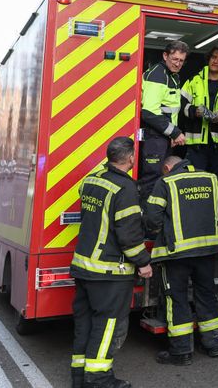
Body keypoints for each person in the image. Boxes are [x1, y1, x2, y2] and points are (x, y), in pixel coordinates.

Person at [71, 137, 152, 388]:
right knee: (107, 326)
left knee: (84, 323)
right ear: (130, 158)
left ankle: (79, 377)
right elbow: (128, 234)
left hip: (85, 267)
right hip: (109, 272)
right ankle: (98, 379)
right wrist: (143, 262)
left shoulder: (93, 180)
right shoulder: (125, 189)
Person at [144, 156, 218, 366]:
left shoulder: (166, 182)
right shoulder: (211, 179)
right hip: (207, 250)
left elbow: (152, 218)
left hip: (176, 254)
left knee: (176, 298)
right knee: (207, 293)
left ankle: (181, 352)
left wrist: (157, 233)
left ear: (167, 168)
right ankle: (213, 344)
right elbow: (217, 207)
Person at [179, 46, 218, 214]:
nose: (215, 61)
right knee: (195, 184)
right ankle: (194, 215)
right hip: (197, 144)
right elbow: (181, 105)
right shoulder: (194, 81)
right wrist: (194, 111)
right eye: (213, 57)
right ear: (208, 59)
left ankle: (214, 215)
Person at [139, 40, 188, 203]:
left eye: (181, 60)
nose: (178, 64)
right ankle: (148, 222)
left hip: (162, 136)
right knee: (152, 180)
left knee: (160, 177)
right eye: (174, 59)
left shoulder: (172, 76)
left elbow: (168, 110)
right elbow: (149, 112)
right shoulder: (158, 75)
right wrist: (174, 132)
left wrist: (171, 135)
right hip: (154, 137)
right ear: (165, 56)